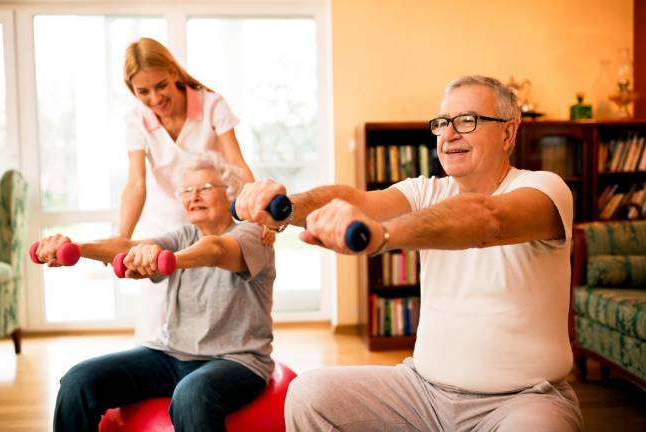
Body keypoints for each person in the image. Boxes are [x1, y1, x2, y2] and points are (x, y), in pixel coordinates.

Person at [234, 75, 583, 431]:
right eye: (442, 124)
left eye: (466, 121)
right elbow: (357, 199)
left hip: (522, 401)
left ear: (508, 133)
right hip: (422, 393)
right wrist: (283, 207)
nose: (448, 135)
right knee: (309, 395)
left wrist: (383, 234)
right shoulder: (425, 191)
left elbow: (488, 219)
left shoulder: (544, 188)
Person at [35, 153, 275, 432]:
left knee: (192, 394)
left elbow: (217, 250)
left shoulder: (254, 235)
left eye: (205, 188)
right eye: (186, 190)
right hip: (170, 354)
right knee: (78, 381)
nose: (193, 196)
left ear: (231, 194)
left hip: (237, 360)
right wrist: (75, 248)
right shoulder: (183, 235)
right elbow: (126, 246)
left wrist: (171, 259)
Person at [120, 37, 272, 342]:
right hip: (167, 221)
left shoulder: (212, 104)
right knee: (155, 319)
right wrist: (121, 241)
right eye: (143, 92)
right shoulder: (136, 120)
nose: (155, 98)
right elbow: (136, 184)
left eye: (160, 85)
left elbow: (237, 164)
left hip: (213, 224)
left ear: (174, 72)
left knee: (213, 308)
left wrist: (258, 218)